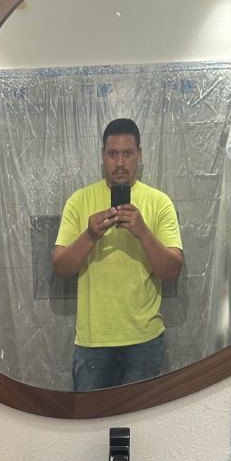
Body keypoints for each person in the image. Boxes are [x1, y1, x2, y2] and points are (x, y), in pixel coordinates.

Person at [52, 118, 183, 391]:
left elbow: (172, 272)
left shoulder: (159, 203)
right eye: (113, 154)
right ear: (102, 155)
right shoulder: (79, 201)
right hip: (93, 343)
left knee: (142, 428)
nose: (120, 162)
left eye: (128, 153)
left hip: (145, 340)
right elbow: (61, 268)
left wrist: (143, 232)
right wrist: (90, 234)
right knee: (90, 427)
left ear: (140, 154)